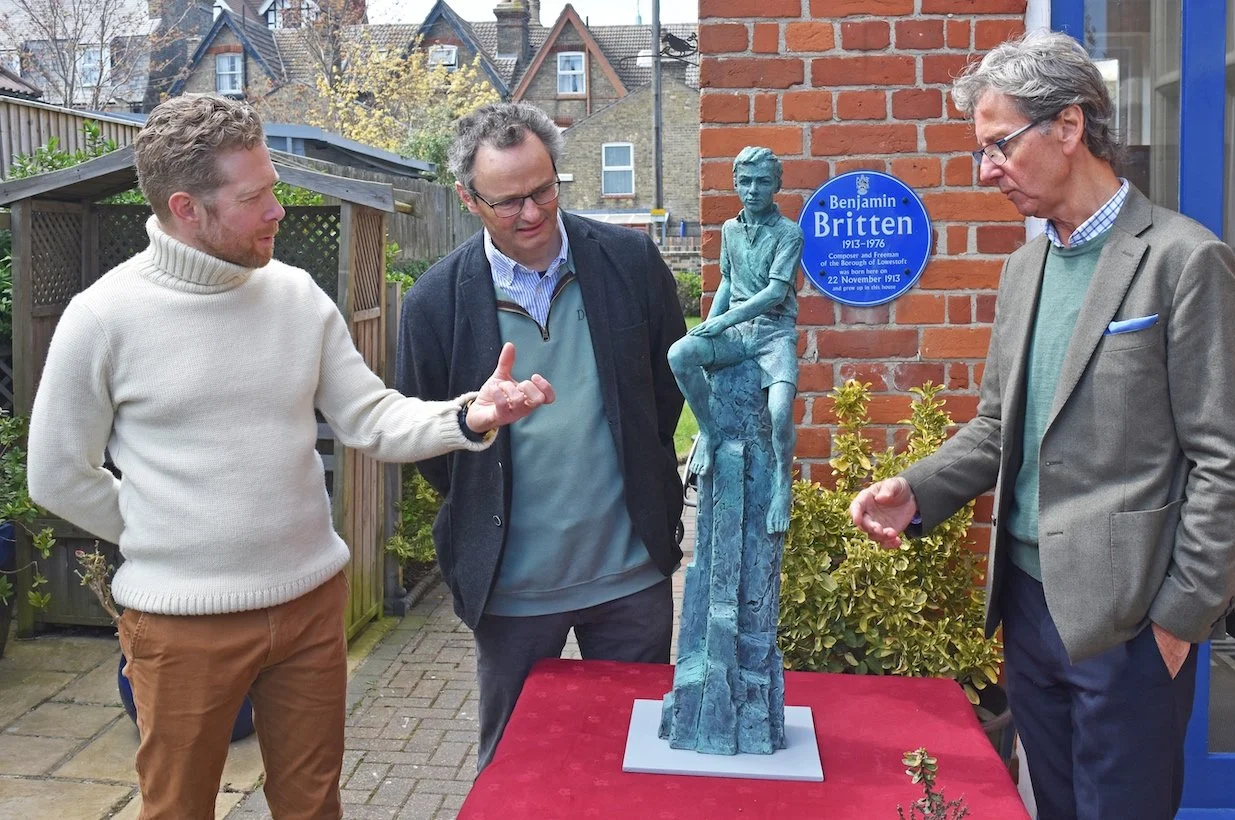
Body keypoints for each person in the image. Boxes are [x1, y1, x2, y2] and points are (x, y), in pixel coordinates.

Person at [26, 95, 553, 819]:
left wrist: (468, 416)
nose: (277, 209)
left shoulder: (296, 296)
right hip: (182, 625)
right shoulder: (103, 317)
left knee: (312, 806)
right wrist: (163, 534)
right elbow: (56, 474)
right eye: (255, 197)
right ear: (186, 208)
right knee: (177, 809)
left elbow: (370, 416)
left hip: (309, 607)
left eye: (273, 187)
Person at [849, 31, 1235, 820]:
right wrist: (917, 490)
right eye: (982, 150)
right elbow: (999, 425)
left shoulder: (1183, 260)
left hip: (1130, 623)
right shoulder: (1024, 268)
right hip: (1029, 610)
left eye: (999, 145)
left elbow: (1230, 459)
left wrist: (1178, 619)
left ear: (1069, 126)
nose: (986, 170)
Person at [397, 102, 687, 772]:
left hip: (630, 574)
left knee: (638, 766)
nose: (531, 213)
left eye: (544, 190)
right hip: (512, 588)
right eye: (508, 202)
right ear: (469, 199)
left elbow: (666, 389)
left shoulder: (629, 262)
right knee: (515, 769)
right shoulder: (434, 304)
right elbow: (431, 441)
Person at [667, 145, 801, 533]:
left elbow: (775, 292)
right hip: (737, 333)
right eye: (745, 181)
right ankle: (708, 432)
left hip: (774, 334)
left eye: (762, 181)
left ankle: (782, 483)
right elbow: (727, 281)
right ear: (735, 184)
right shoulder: (729, 230)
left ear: (776, 185)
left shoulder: (789, 234)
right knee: (680, 354)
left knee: (780, 411)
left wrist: (724, 319)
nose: (753, 189)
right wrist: (711, 325)